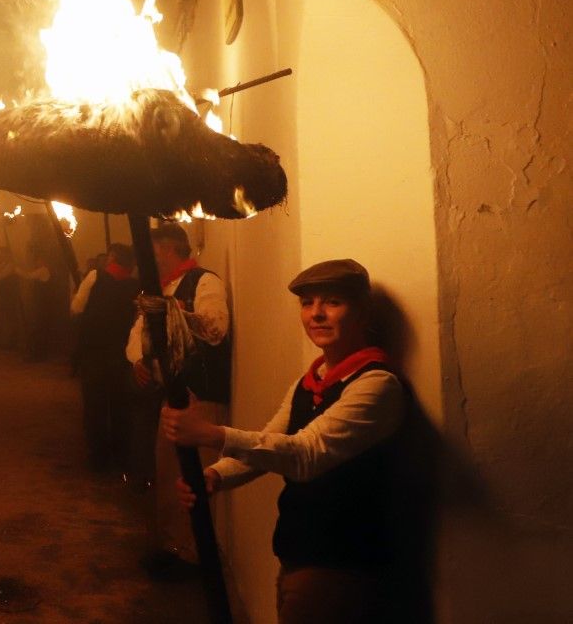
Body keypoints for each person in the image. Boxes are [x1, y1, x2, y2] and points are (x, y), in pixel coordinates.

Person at [166, 259, 407, 622]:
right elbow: (270, 445)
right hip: (299, 551)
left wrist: (211, 434)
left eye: (332, 302)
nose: (317, 314)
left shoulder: (376, 385)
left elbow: (304, 455)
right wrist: (215, 476)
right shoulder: (308, 382)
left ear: (361, 312)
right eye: (307, 303)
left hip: (340, 564)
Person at [127, 221, 230, 579]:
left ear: (168, 251)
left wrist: (171, 313)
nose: (147, 262)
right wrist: (138, 360)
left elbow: (216, 330)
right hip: (170, 399)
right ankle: (173, 550)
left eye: (152, 254)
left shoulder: (205, 281)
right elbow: (138, 334)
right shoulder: (160, 288)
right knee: (169, 476)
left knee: (194, 480)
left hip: (200, 398)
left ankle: (192, 559)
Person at [71, 242, 140, 472]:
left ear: (112, 257)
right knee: (120, 407)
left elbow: (77, 308)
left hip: (94, 352)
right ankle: (121, 457)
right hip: (122, 356)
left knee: (95, 407)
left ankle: (99, 460)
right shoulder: (136, 286)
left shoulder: (94, 276)